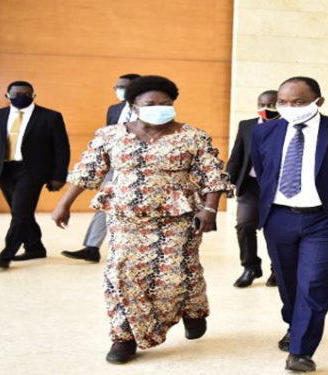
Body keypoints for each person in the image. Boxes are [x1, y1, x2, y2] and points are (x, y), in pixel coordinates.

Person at [51, 75, 234, 364]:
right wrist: (63, 205)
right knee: (121, 276)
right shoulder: (109, 135)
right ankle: (123, 337)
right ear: (133, 105)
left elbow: (212, 176)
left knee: (176, 275)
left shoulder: (192, 136)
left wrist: (209, 210)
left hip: (177, 218)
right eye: (151, 103)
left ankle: (192, 309)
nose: (159, 108)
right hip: (126, 218)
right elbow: (86, 171)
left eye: (166, 103)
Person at [251, 76, 328, 372]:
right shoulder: (265, 133)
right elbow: (264, 174)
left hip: (325, 222)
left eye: (299, 102)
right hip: (279, 218)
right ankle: (295, 323)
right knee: (288, 283)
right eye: (283, 102)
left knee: (313, 282)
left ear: (319, 101)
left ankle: (301, 350)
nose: (290, 107)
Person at [0, 81, 70, 269]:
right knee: (21, 211)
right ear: (7, 96)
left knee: (20, 211)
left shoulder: (50, 117)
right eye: (16, 94)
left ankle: (6, 254)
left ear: (33, 96)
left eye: (26, 93)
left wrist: (58, 176)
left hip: (32, 171)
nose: (21, 97)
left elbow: (61, 149)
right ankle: (34, 247)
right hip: (5, 170)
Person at [61, 73, 141, 263]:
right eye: (117, 88)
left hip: (140, 166)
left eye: (123, 87)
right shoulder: (114, 109)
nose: (119, 91)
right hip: (115, 164)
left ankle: (137, 251)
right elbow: (107, 137)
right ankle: (91, 248)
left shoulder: (149, 109)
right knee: (105, 203)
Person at [226, 90, 279, 288]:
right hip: (250, 186)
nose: (267, 108)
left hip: (278, 188)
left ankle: (278, 269)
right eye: (263, 104)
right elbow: (237, 156)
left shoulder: (288, 126)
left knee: (276, 230)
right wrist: (228, 182)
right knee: (244, 225)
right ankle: (250, 267)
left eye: (273, 104)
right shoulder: (247, 126)